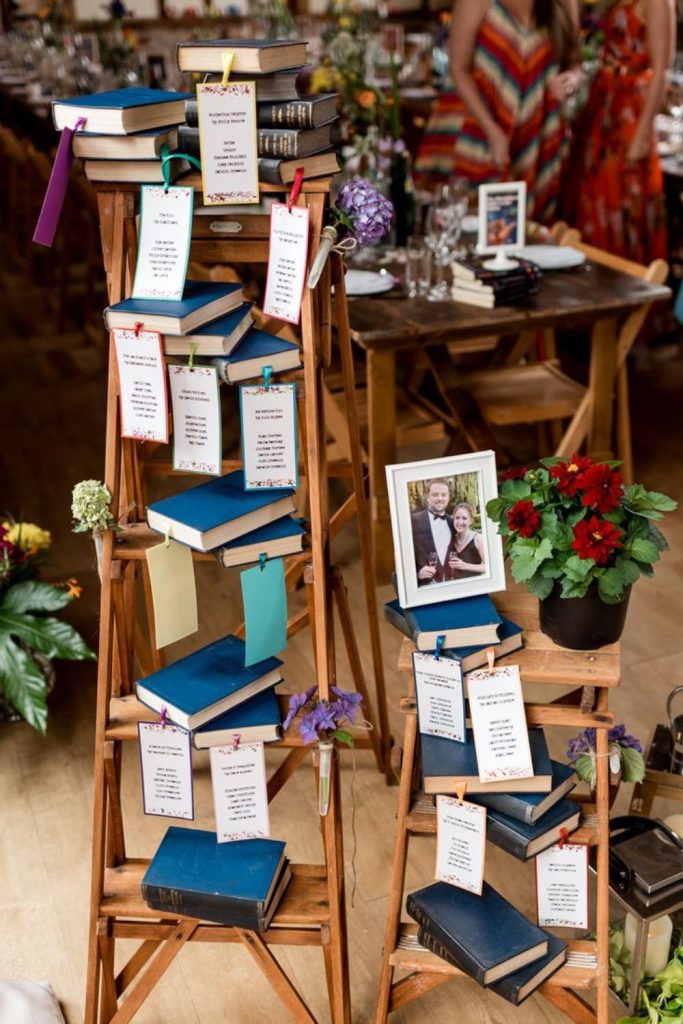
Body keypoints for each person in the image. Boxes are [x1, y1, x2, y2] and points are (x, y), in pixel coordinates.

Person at [415, 0, 581, 224]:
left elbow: (575, 63)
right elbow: (458, 68)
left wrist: (571, 81)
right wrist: (492, 131)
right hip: (475, 128)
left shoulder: (564, 3)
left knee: (526, 230)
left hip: (536, 131)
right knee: (470, 223)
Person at [562, 0, 673, 262]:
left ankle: (620, 276)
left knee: (623, 192)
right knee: (590, 194)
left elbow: (661, 71)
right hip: (601, 105)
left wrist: (642, 133)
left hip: (629, 111)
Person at [412, 479, 454, 586]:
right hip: (425, 586)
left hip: (452, 584)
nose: (440, 498)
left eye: (443, 495)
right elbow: (403, 555)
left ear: (448, 498)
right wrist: (416, 573)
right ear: (428, 497)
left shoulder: (453, 522)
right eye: (435, 495)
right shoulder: (413, 521)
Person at [447, 502, 488, 579]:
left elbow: (489, 567)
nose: (460, 522)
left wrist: (465, 566)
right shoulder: (451, 540)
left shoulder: (478, 539)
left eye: (464, 518)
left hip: (475, 585)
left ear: (471, 520)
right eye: (457, 518)